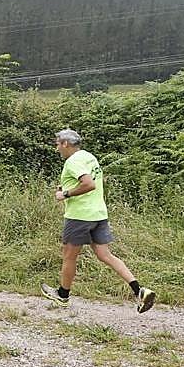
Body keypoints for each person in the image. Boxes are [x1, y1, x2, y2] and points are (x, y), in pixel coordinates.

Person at [41, 128, 156, 313]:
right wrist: (69, 186)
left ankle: (62, 295)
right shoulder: (89, 157)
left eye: (57, 144)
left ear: (65, 143)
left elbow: (89, 184)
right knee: (105, 255)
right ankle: (139, 291)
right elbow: (90, 180)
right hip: (98, 214)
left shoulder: (73, 161)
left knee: (69, 257)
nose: (57, 149)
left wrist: (66, 194)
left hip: (80, 216)